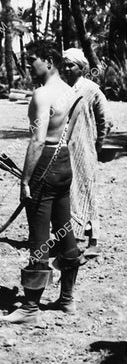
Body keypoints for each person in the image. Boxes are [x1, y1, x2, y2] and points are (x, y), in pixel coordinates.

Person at [0, 40, 85, 324]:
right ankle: (67, 299)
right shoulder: (72, 91)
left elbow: (37, 140)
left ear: (49, 61)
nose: (27, 64)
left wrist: (25, 180)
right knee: (64, 229)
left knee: (39, 235)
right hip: (64, 161)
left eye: (31, 59)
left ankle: (30, 307)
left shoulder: (42, 94)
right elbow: (68, 134)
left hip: (45, 162)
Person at [63, 48, 113, 257]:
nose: (66, 69)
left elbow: (106, 121)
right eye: (64, 64)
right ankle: (72, 238)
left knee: (88, 192)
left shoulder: (92, 89)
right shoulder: (63, 90)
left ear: (81, 67)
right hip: (65, 150)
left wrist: (97, 145)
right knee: (69, 193)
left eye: (71, 65)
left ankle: (94, 240)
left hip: (86, 150)